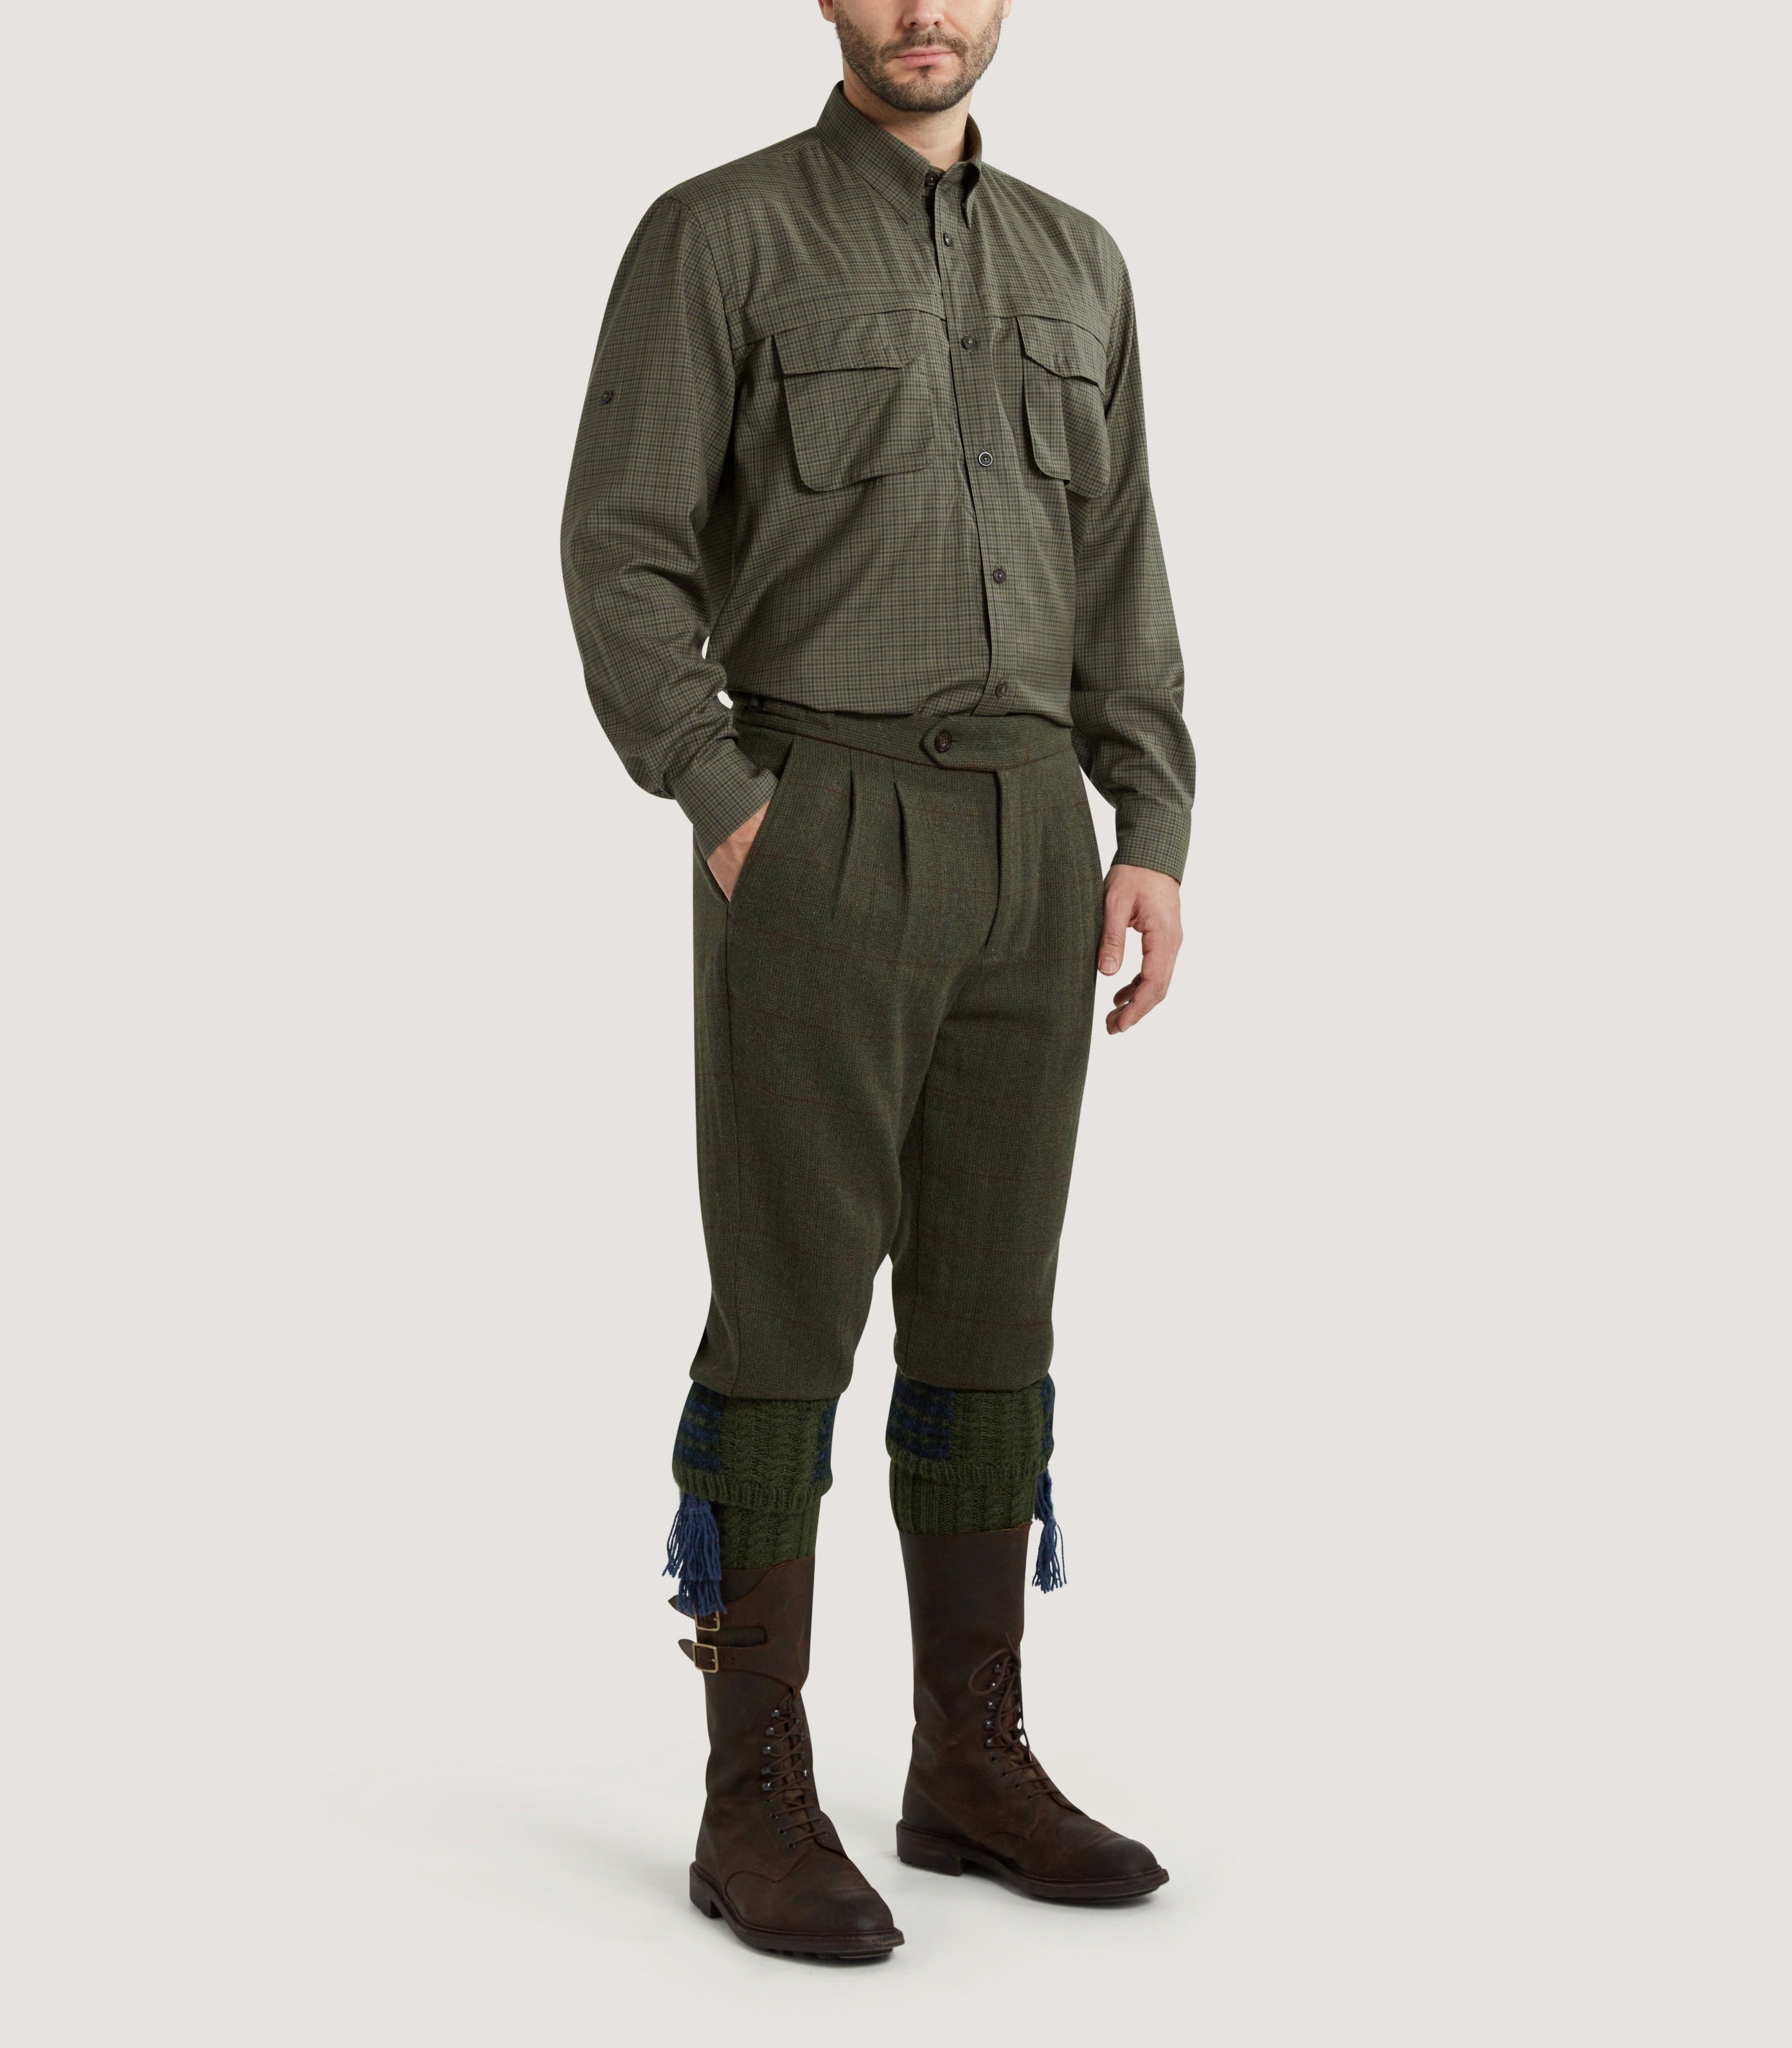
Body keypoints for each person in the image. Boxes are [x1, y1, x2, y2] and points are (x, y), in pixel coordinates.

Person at [560, 0, 1194, 1959]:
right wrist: (728, 800)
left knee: (997, 1297)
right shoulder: (720, 235)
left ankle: (968, 1759)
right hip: (817, 814)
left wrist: (1150, 817)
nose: (926, 11)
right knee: (788, 1305)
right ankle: (751, 1791)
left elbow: (1120, 559)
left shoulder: (1080, 261)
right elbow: (621, 547)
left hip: (1031, 834)